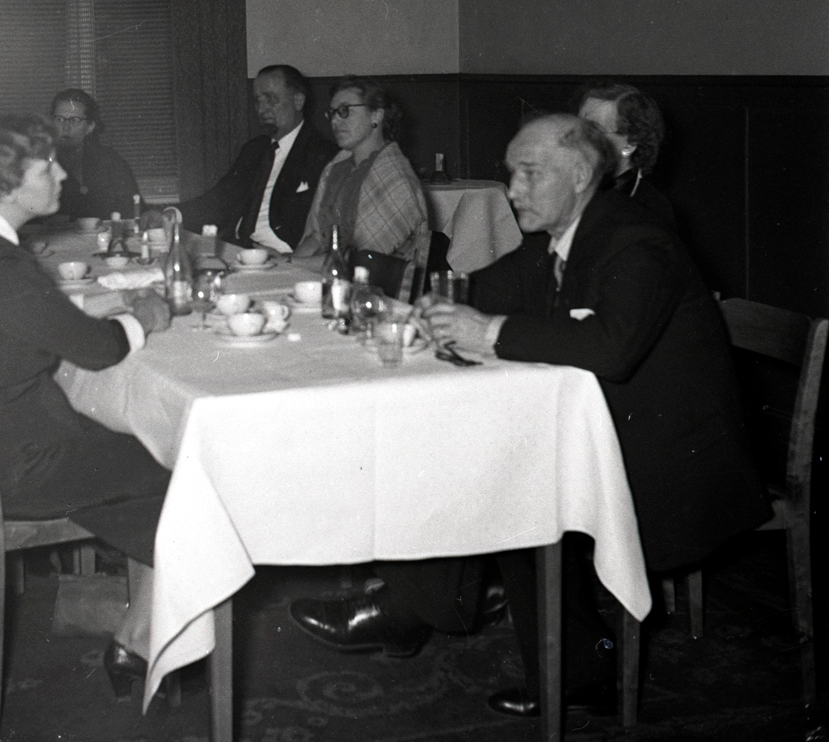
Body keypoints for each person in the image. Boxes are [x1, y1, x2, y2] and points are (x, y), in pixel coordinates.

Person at [290, 115, 769, 717]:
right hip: (605, 428)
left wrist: (489, 331)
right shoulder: (562, 238)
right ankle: (446, 611)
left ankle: (429, 609)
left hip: (671, 463)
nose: (513, 189)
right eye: (511, 173)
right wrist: (433, 308)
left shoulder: (636, 239)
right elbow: (482, 289)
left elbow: (611, 348)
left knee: (507, 477)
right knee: (482, 449)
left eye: (529, 173)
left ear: (580, 175)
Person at [0, 113, 173, 696]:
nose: (62, 175)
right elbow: (98, 351)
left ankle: (123, 611)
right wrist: (144, 317)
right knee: (182, 466)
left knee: (141, 444)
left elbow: (31, 321)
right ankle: (140, 637)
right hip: (26, 463)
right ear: (9, 182)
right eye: (48, 167)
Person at [293, 76, 429, 298]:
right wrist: (286, 265)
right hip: (331, 279)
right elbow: (316, 237)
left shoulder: (396, 178)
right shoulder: (337, 168)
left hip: (376, 295)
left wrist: (293, 264)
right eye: (332, 113)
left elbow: (361, 259)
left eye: (345, 111)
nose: (335, 121)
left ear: (376, 115)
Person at [177, 65, 336, 252]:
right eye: (258, 100)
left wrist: (291, 259)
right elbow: (220, 199)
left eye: (270, 99)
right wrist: (174, 214)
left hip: (282, 255)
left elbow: (321, 230)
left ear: (298, 101)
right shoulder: (254, 149)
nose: (261, 108)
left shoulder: (323, 154)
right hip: (236, 248)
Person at [575, 81, 673, 225]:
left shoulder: (647, 208)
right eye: (577, 127)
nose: (578, 139)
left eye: (594, 130)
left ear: (630, 143)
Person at [51, 88, 143, 221]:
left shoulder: (109, 161)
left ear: (90, 127)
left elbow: (135, 207)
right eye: (60, 119)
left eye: (74, 120)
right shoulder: (40, 163)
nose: (65, 127)